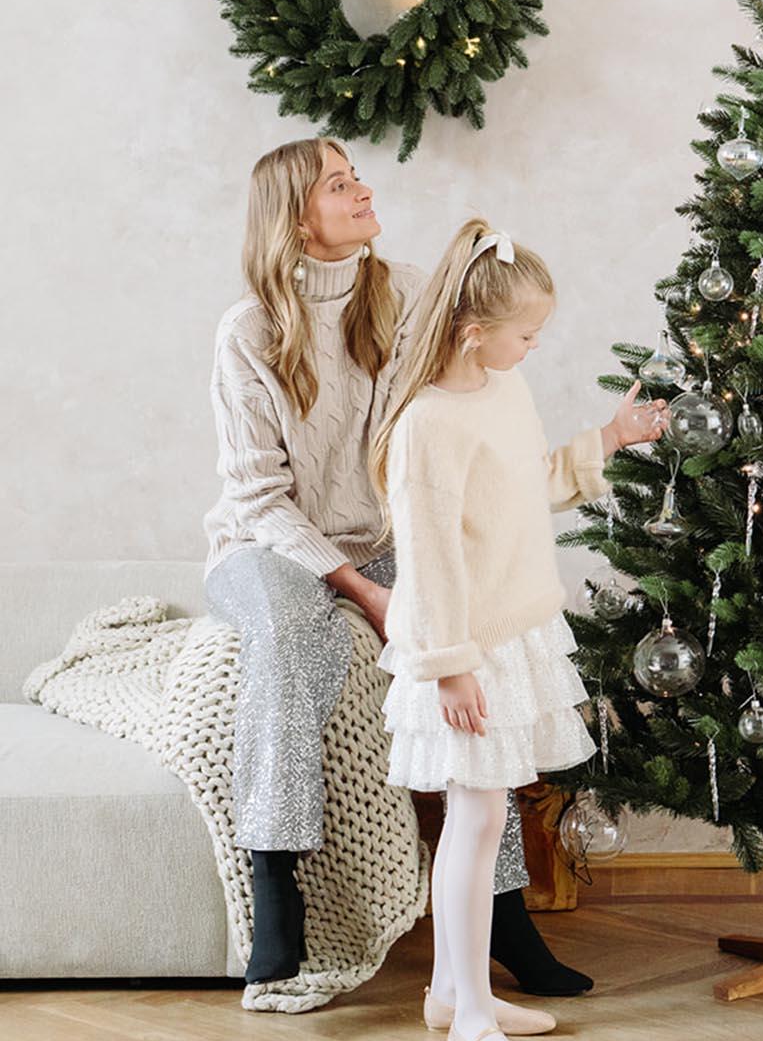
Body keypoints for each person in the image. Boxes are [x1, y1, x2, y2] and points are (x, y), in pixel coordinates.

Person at [203, 140, 594, 994]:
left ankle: (502, 919)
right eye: (339, 185)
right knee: (290, 641)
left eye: (356, 176)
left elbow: (461, 426)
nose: (362, 189)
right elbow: (260, 497)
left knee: (475, 651)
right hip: (268, 546)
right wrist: (361, 589)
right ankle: (276, 884)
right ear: (295, 217)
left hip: (387, 535)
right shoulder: (250, 332)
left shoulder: (411, 294)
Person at [371, 220, 666, 1041]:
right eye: (526, 333)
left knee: (486, 816)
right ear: (473, 331)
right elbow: (427, 557)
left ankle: (449, 993)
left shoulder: (503, 391)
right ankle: (467, 1020)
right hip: (467, 646)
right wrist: (451, 661)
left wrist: (607, 440)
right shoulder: (426, 424)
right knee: (476, 819)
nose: (535, 347)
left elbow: (527, 485)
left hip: (516, 629)